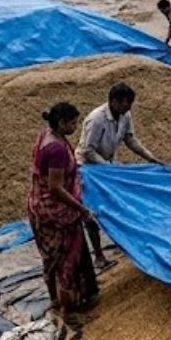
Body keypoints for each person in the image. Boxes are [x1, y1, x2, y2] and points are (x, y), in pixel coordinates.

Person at [26, 102, 101, 315]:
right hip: (55, 212)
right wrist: (82, 209)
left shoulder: (49, 135)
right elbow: (56, 188)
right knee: (66, 257)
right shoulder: (56, 148)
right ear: (61, 123)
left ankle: (61, 298)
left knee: (54, 258)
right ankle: (70, 302)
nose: (75, 127)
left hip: (41, 207)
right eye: (73, 123)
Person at [77, 82, 159, 165]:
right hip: (87, 165)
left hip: (106, 163)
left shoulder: (125, 114)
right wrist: (108, 167)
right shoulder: (96, 119)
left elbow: (130, 139)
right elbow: (88, 151)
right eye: (125, 105)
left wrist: (150, 157)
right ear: (114, 102)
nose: (129, 108)